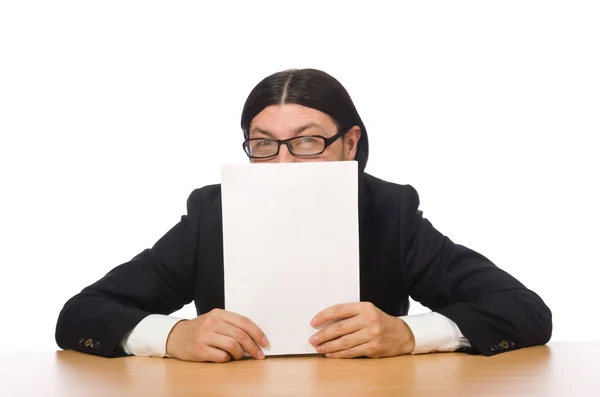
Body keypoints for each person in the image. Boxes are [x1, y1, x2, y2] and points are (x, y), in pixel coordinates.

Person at [55, 68, 552, 363]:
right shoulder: (212, 212)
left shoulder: (389, 212)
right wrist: (170, 335)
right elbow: (79, 314)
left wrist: (409, 334)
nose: (284, 162)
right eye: (265, 144)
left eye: (308, 140)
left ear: (349, 144)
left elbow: (525, 310)